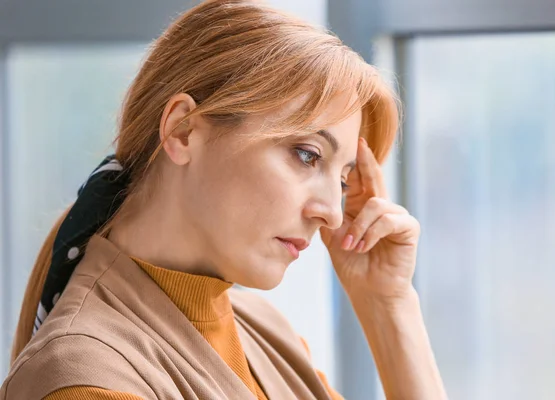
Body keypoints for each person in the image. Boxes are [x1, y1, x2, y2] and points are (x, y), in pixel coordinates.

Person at [1, 0, 447, 399]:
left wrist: (388, 306)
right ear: (182, 130)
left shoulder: (262, 331)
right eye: (307, 155)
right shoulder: (90, 382)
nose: (332, 213)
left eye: (345, 179)